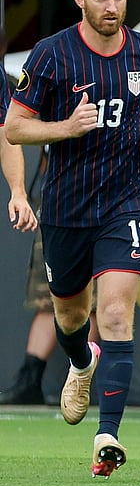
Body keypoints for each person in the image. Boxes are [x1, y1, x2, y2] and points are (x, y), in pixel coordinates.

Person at [5, 0, 140, 477]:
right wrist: (65, 128)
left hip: (125, 201)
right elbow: (13, 128)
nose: (113, 7)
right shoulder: (52, 55)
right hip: (67, 206)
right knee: (72, 317)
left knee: (117, 314)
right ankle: (81, 362)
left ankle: (108, 438)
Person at [0, 70, 43, 405]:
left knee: (96, 304)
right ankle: (31, 379)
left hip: (102, 204)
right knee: (52, 298)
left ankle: (89, 381)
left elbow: (7, 131)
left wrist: (18, 191)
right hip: (58, 202)